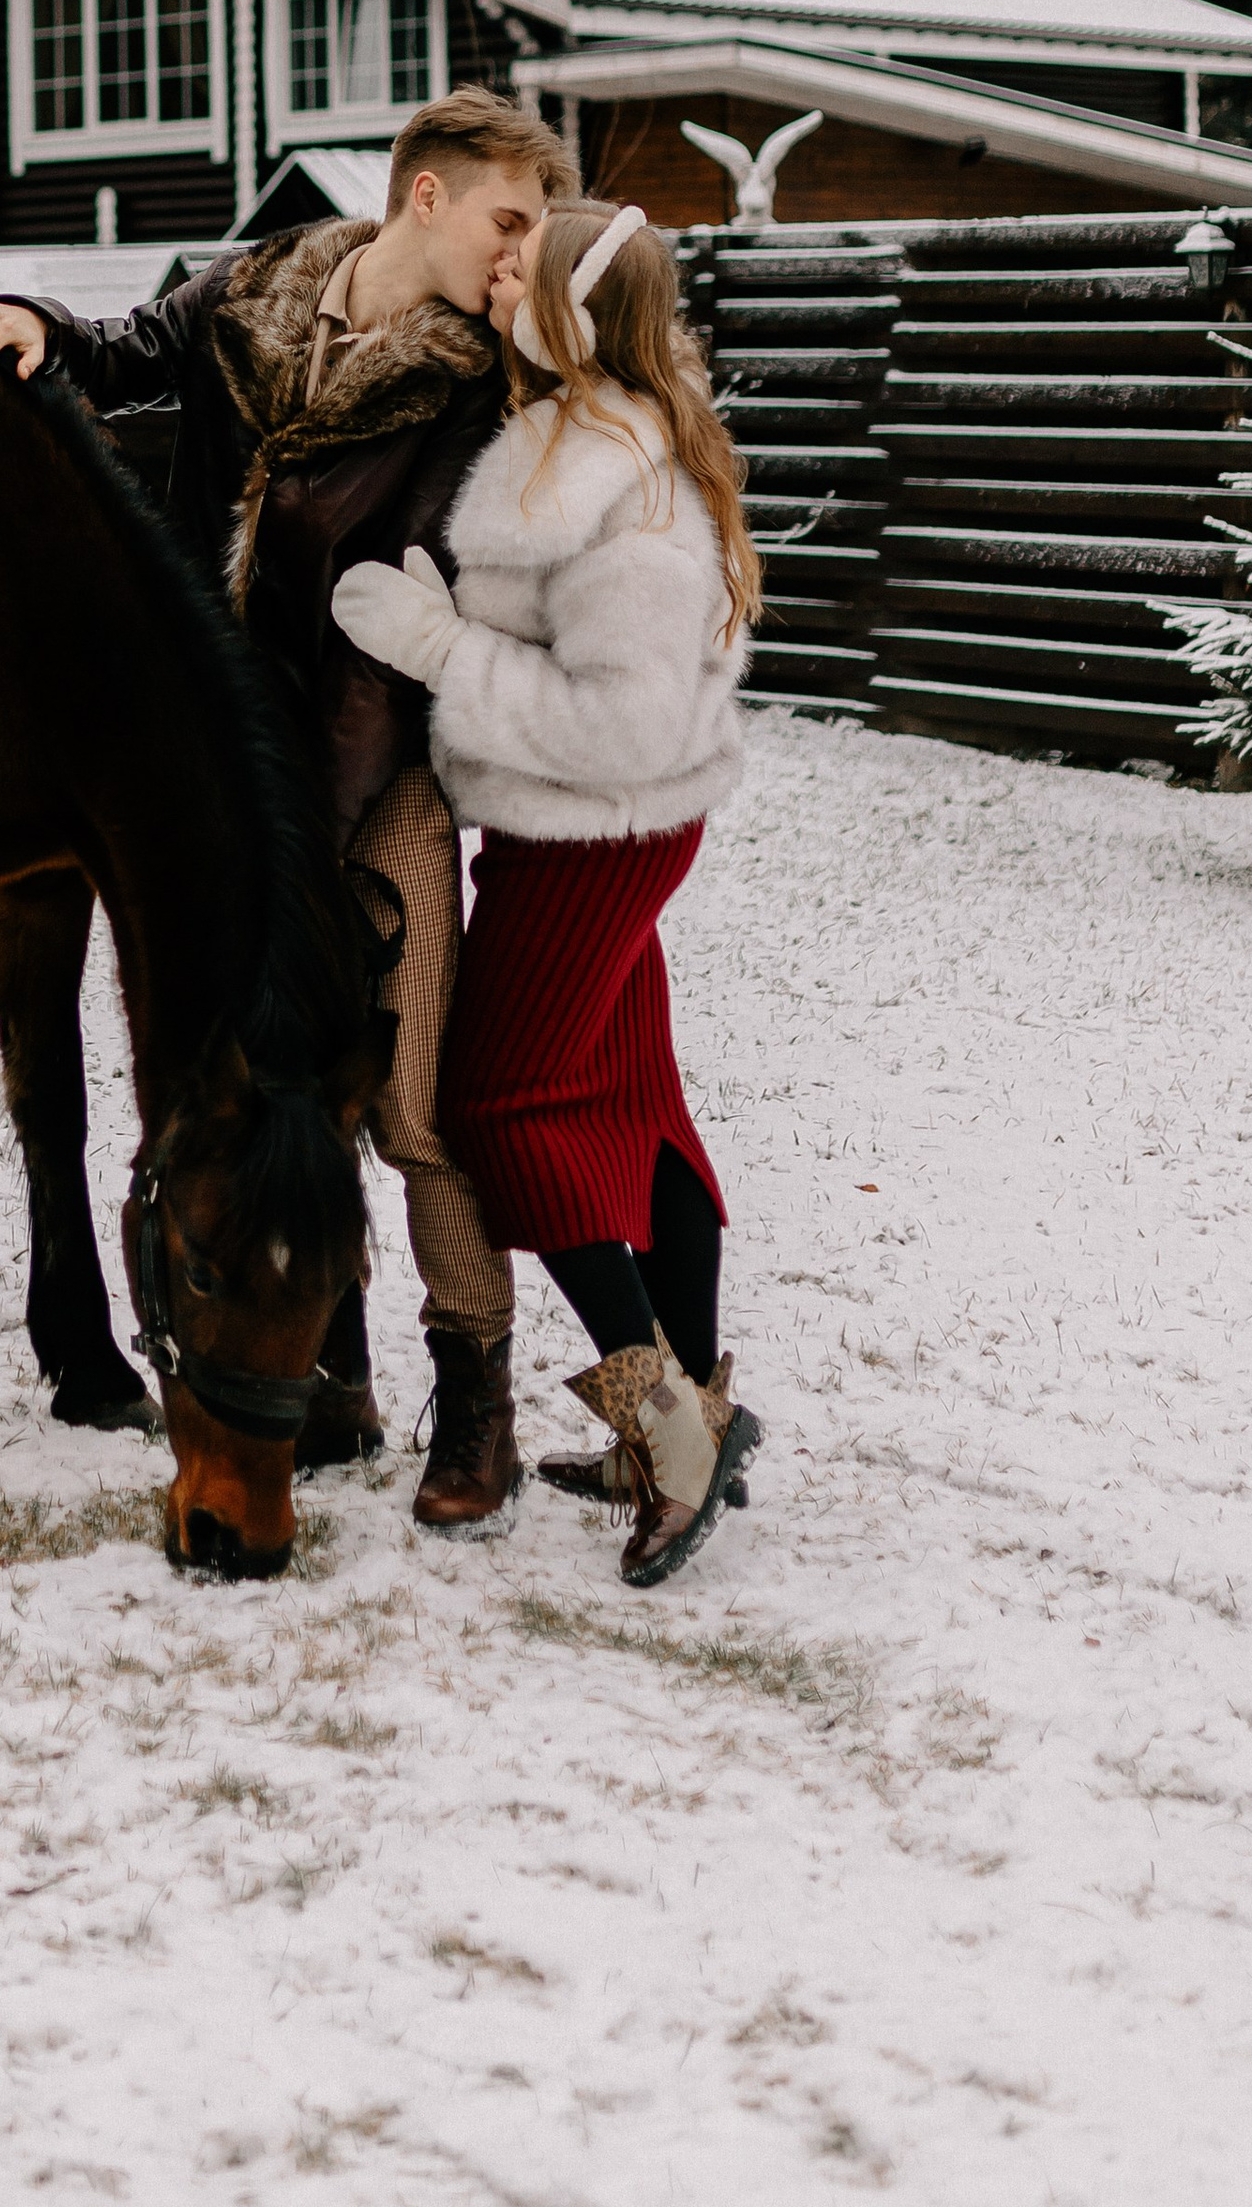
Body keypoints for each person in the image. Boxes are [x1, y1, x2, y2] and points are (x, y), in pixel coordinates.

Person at [0, 86, 576, 1522]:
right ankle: (318, 1366)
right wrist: (41, 321)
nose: (521, 250)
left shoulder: (492, 377)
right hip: (218, 783)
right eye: (509, 217)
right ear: (426, 195)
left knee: (410, 1108)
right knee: (250, 1090)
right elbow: (134, 347)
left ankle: (475, 1394)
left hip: (373, 772)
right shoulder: (260, 289)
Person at [330, 197, 762, 1587]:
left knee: (502, 1103)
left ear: (577, 306)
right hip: (593, 828)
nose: (496, 267)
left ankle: (669, 1443)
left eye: (525, 262)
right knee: (636, 1103)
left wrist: (439, 641)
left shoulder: (616, 470)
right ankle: (702, 1403)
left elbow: (615, 721)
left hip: (593, 827)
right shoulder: (588, 424)